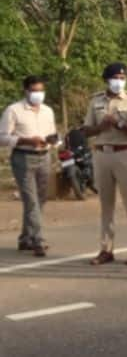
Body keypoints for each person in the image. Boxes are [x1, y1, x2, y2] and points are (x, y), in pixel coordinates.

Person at [83, 63, 127, 266]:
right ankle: (106, 249)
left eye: (122, 78)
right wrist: (100, 127)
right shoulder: (95, 101)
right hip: (102, 153)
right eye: (115, 77)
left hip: (124, 153)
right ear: (107, 79)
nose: (119, 81)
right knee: (106, 205)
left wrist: (120, 124)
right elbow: (86, 130)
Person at [0, 76, 57, 257]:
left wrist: (54, 140)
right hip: (23, 157)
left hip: (44, 156)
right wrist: (25, 140)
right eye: (34, 91)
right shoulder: (13, 110)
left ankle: (26, 237)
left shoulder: (48, 111)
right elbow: (2, 137)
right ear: (25, 91)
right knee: (30, 199)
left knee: (40, 199)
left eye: (40, 90)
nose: (38, 94)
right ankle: (38, 240)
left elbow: (53, 133)